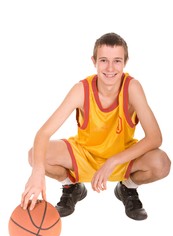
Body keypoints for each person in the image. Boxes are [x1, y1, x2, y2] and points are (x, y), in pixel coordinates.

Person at [21, 32, 171, 221]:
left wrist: (113, 161)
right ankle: (71, 186)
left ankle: (127, 187)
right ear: (94, 61)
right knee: (35, 155)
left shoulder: (132, 88)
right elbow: (44, 133)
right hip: (84, 155)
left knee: (161, 163)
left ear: (125, 62)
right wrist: (37, 173)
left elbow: (155, 137)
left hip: (121, 156)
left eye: (117, 61)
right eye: (103, 60)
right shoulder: (81, 90)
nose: (110, 68)